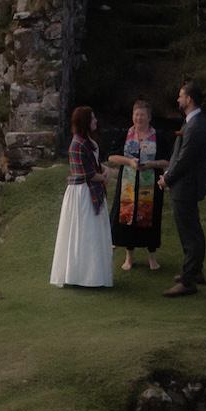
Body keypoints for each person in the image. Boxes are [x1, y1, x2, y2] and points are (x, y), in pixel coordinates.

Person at [49, 105, 115, 289]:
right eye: (92, 118)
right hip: (82, 193)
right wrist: (103, 177)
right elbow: (87, 174)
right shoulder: (77, 144)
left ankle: (91, 275)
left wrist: (104, 170)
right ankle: (81, 275)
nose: (95, 121)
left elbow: (93, 164)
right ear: (86, 122)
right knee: (84, 232)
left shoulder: (86, 141)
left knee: (91, 233)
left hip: (89, 190)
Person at [159, 81, 206, 298]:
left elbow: (185, 160)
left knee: (189, 232)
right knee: (193, 229)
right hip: (188, 185)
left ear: (189, 99)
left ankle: (188, 280)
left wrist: (167, 179)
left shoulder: (196, 125)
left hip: (186, 186)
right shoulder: (195, 122)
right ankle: (195, 270)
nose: (178, 99)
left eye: (181, 96)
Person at [105, 98, 164, 274]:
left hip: (150, 183)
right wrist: (129, 161)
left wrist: (151, 164)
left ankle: (152, 256)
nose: (139, 118)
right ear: (132, 116)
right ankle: (129, 257)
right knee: (127, 220)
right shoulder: (126, 134)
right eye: (136, 114)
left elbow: (167, 161)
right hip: (128, 183)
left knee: (149, 219)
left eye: (142, 115)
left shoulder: (158, 137)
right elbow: (111, 157)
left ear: (149, 117)